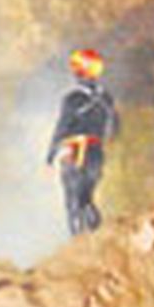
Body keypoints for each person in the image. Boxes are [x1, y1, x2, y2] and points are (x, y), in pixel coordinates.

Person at [45, 47, 119, 235]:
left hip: (76, 151)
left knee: (73, 202)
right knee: (86, 198)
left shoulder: (73, 99)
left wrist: (49, 158)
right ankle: (98, 234)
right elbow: (115, 128)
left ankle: (78, 244)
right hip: (97, 153)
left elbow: (61, 129)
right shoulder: (106, 99)